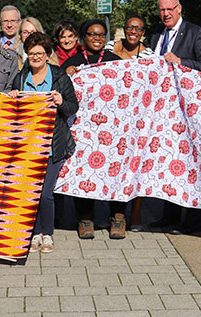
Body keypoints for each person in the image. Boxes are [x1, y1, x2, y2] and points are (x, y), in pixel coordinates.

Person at [148, 0, 201, 234]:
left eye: (169, 9)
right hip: (164, 112)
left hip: (189, 112)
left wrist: (180, 61)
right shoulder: (157, 33)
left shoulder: (195, 32)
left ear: (179, 9)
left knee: (191, 164)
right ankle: (169, 215)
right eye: (161, 10)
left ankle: (193, 220)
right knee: (169, 162)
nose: (165, 14)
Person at [8, 32, 78, 253]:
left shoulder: (59, 78)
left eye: (39, 53)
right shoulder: (21, 78)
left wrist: (60, 102)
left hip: (53, 145)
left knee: (46, 193)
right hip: (28, 145)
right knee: (31, 192)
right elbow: (13, 112)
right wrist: (11, 98)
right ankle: (35, 233)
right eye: (31, 54)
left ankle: (48, 233)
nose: (35, 57)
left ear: (48, 55)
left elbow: (73, 108)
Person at [60, 20, 127, 239]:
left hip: (113, 130)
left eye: (101, 35)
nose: (97, 38)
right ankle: (85, 218)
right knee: (84, 171)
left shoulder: (116, 62)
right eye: (92, 34)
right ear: (83, 37)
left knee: (116, 171)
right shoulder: (73, 62)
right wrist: (67, 73)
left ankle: (117, 217)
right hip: (85, 129)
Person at [104, 15, 154, 230]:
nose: (133, 31)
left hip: (139, 117)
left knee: (137, 166)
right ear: (124, 30)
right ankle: (116, 215)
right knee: (115, 166)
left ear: (143, 32)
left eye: (138, 28)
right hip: (113, 117)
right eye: (130, 27)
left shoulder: (149, 55)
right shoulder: (109, 48)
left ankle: (135, 214)